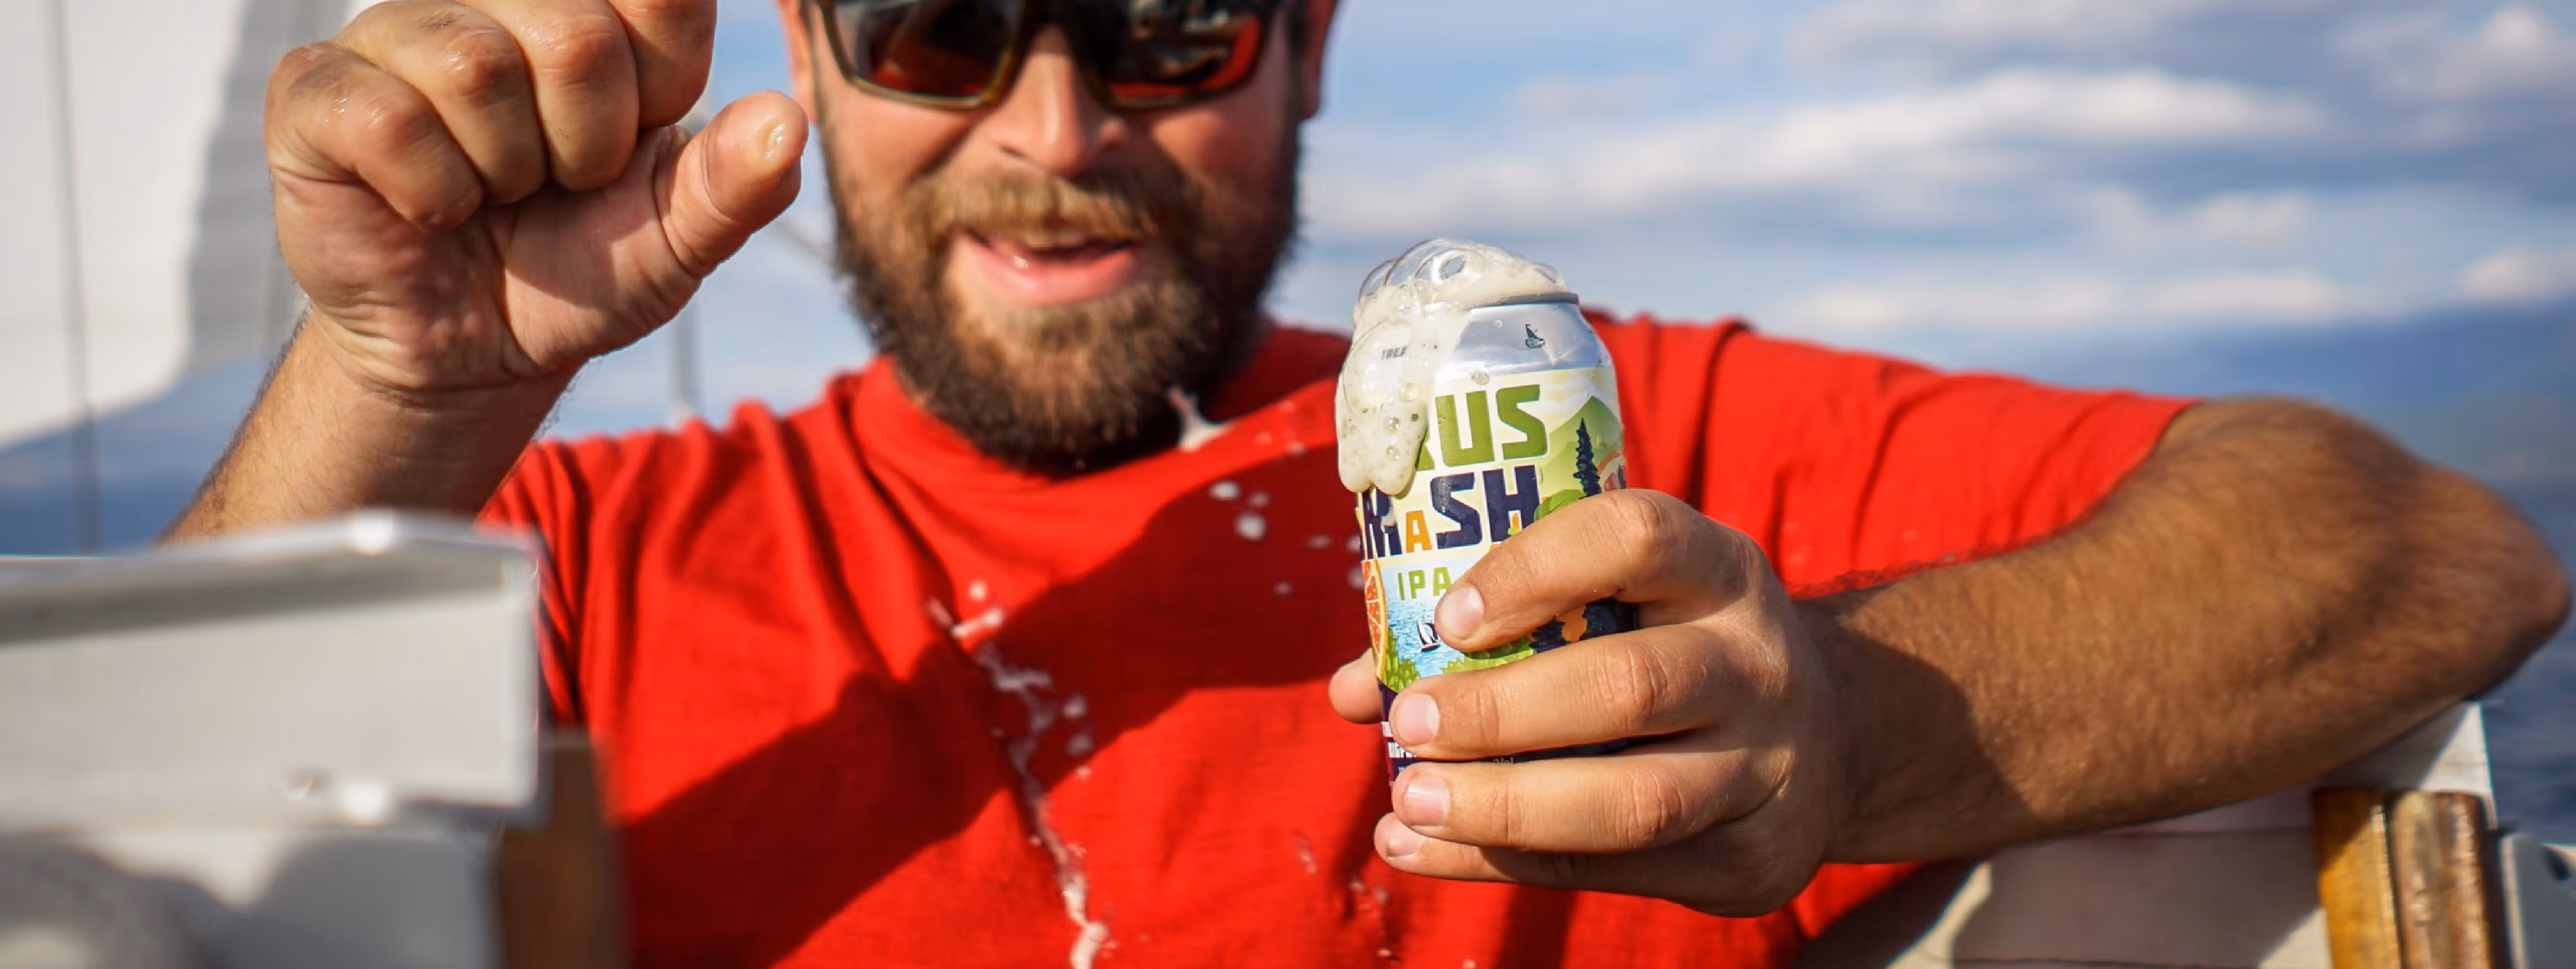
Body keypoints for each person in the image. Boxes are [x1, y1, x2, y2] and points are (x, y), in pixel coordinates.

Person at [174, 0, 2570, 964]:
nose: (1050, 130)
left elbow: (2420, 540)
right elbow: (124, 880)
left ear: (1309, 46)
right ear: (806, 52)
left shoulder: (1593, 451)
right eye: (931, 20)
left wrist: (1852, 725)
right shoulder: (574, 565)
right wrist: (399, 378)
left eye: (1165, 24)